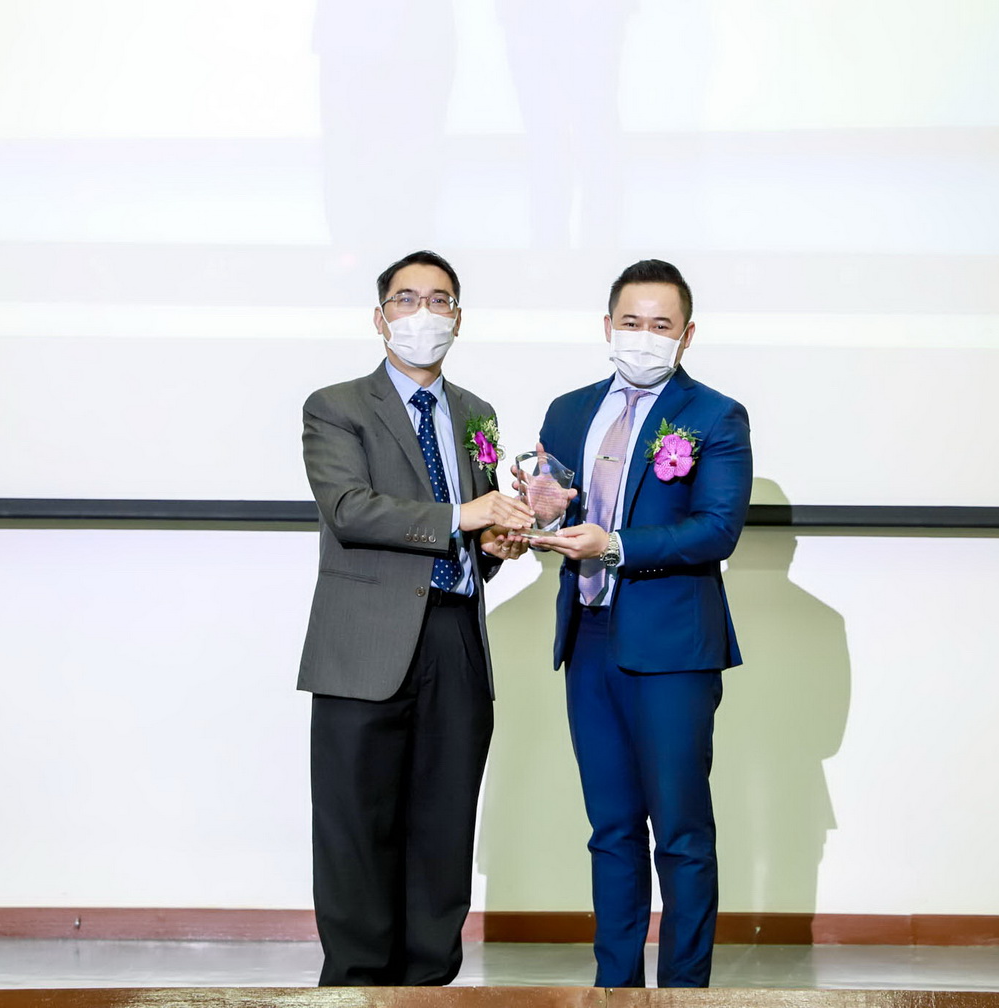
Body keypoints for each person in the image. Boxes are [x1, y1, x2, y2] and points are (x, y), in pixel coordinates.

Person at [297, 250, 532, 986]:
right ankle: (355, 989)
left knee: (443, 826)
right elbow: (349, 509)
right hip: (364, 644)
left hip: (455, 634)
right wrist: (465, 515)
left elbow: (476, 537)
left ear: (458, 319)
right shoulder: (336, 406)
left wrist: (496, 543)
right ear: (380, 318)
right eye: (406, 299)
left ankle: (430, 989)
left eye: (439, 300)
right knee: (356, 829)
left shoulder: (477, 414)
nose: (422, 314)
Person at [528, 259, 753, 988]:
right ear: (607, 326)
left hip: (673, 647)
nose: (644, 336)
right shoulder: (568, 411)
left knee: (680, 832)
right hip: (588, 637)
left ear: (687, 335)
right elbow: (558, 508)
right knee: (611, 829)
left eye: (661, 325)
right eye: (631, 321)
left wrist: (616, 545)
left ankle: (685, 994)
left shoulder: (714, 415)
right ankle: (615, 988)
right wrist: (537, 518)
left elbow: (716, 529)